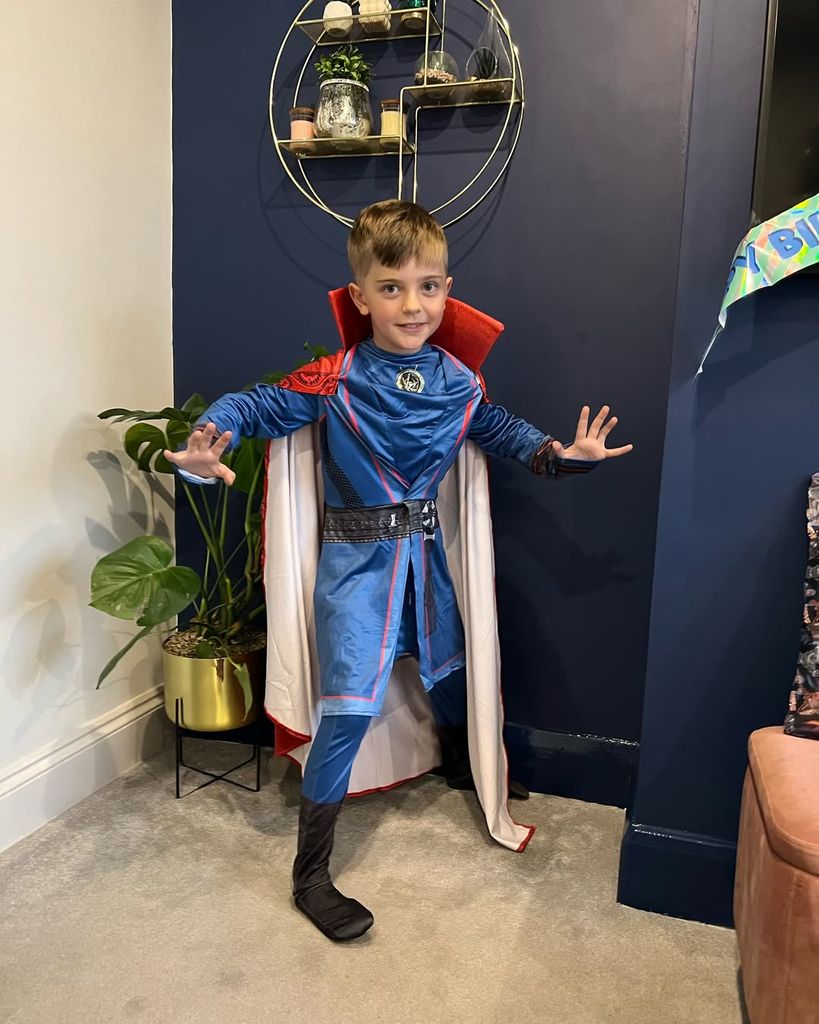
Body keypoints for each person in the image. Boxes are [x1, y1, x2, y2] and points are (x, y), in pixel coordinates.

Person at [165, 200, 633, 943]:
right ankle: (309, 873)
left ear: (446, 289)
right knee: (347, 710)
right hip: (355, 572)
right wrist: (204, 441)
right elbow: (252, 407)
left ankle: (452, 761)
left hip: (426, 563)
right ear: (359, 296)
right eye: (391, 287)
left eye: (427, 286)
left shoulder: (457, 382)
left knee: (447, 671)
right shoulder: (334, 379)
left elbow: (504, 431)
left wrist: (559, 456)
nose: (411, 304)